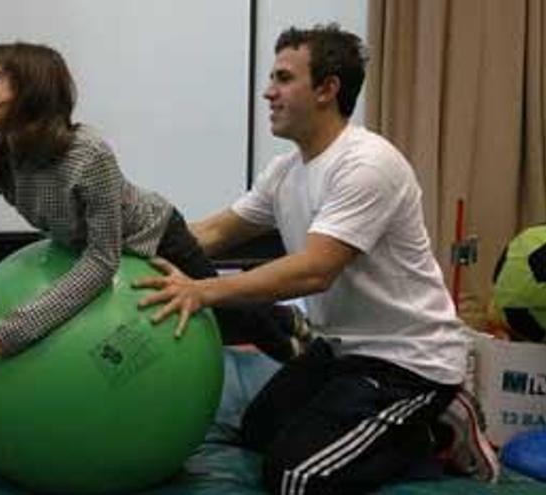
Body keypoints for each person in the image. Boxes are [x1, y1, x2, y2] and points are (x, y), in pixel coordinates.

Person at [135, 24, 500, 494]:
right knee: (258, 433)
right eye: (271, 78)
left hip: (407, 364)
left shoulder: (367, 164)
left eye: (284, 79)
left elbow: (316, 269)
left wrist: (202, 291)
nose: (269, 92)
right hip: (342, 349)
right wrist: (138, 249)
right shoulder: (286, 171)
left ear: (328, 89)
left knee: (296, 477)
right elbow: (216, 231)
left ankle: (435, 432)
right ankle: (404, 430)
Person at [0, 41, 301, 360]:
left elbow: (102, 260)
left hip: (155, 235)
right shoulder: (6, 161)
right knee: (232, 318)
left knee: (229, 318)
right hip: (91, 249)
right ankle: (285, 322)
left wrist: (27, 324)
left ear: (31, 89)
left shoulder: (86, 155)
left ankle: (301, 352)